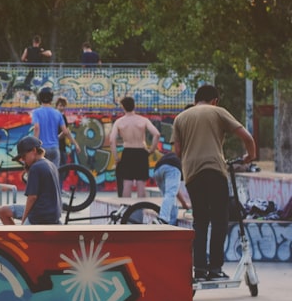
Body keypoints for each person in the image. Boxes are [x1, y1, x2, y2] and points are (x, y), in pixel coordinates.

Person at [174, 84, 256, 281]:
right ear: (215, 100)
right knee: (220, 217)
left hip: (191, 173)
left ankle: (199, 270)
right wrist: (249, 156)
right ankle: (215, 268)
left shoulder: (181, 118)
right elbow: (246, 136)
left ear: (195, 100)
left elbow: (177, 151)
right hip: (214, 169)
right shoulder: (218, 112)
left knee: (200, 220)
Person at [0, 136, 62, 225]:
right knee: (4, 211)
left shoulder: (35, 168)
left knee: (20, 232)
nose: (23, 160)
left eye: (24, 157)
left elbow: (32, 198)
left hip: (40, 216)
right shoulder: (51, 164)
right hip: (53, 213)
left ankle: (19, 237)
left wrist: (23, 221)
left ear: (34, 150)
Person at [108, 96, 160, 198]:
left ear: (123, 107)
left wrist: (117, 157)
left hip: (127, 152)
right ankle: (141, 209)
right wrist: (151, 150)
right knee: (141, 183)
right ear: (134, 106)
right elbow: (157, 134)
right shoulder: (143, 120)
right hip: (141, 152)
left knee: (127, 183)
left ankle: (125, 209)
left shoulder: (119, 122)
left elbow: (111, 140)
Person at [31, 88, 72, 163]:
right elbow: (65, 132)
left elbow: (36, 128)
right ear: (51, 99)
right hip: (54, 148)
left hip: (42, 148)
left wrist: (34, 146)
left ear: (40, 98)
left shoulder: (36, 112)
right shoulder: (57, 113)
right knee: (54, 172)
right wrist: (56, 138)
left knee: (42, 172)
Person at [152, 151, 190, 225]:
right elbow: (173, 191)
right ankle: (162, 219)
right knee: (170, 194)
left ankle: (170, 225)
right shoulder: (186, 163)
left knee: (170, 197)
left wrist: (183, 203)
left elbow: (175, 191)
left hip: (157, 170)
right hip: (172, 167)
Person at [54, 96, 79, 171]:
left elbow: (67, 132)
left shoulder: (61, 117)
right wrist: (57, 138)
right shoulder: (61, 116)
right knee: (61, 171)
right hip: (59, 148)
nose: (62, 108)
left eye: (63, 106)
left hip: (57, 147)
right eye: (60, 105)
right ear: (56, 106)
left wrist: (75, 144)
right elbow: (66, 132)